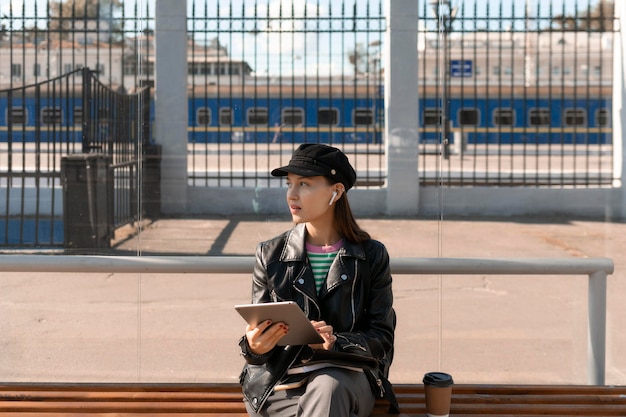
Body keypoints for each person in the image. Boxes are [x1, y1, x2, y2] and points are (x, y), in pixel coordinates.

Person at [238, 143, 398, 416]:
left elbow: (382, 338)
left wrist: (337, 342)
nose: (292, 194)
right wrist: (255, 347)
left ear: (336, 192)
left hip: (347, 379)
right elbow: (260, 336)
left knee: (328, 387)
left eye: (304, 184)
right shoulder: (270, 254)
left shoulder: (371, 256)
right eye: (289, 184)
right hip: (282, 382)